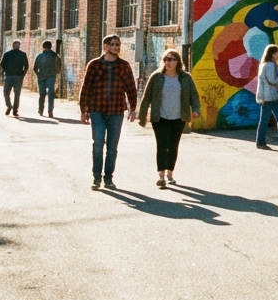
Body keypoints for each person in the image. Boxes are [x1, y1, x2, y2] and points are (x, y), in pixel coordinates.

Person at [78, 35, 138, 190]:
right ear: (105, 46)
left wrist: (133, 109)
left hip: (116, 111)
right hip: (97, 110)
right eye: (113, 44)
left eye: (118, 45)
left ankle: (108, 178)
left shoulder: (124, 66)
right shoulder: (94, 65)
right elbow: (86, 88)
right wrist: (84, 110)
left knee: (112, 147)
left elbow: (131, 87)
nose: (116, 47)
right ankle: (96, 177)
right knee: (98, 144)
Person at [137, 49, 202, 188]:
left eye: (172, 59)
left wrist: (196, 110)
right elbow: (146, 97)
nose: (169, 62)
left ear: (178, 61)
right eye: (167, 59)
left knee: (173, 146)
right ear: (163, 61)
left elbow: (194, 96)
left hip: (179, 117)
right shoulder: (157, 77)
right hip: (160, 117)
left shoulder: (186, 78)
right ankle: (161, 176)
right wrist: (142, 117)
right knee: (162, 145)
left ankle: (170, 173)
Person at [34, 40, 62, 117]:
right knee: (51, 93)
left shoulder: (39, 56)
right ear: (51, 46)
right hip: (51, 76)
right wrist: (55, 72)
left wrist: (39, 74)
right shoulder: (55, 56)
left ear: (43, 47)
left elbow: (35, 68)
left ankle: (40, 110)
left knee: (42, 94)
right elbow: (59, 66)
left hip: (41, 76)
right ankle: (50, 110)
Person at [0, 40, 28, 117]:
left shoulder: (7, 54)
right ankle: (14, 109)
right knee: (16, 94)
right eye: (16, 45)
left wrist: (5, 71)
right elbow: (26, 66)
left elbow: (2, 65)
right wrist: (22, 74)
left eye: (17, 45)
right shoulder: (22, 54)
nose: (16, 46)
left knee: (7, 93)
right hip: (17, 76)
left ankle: (11, 107)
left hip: (10, 76)